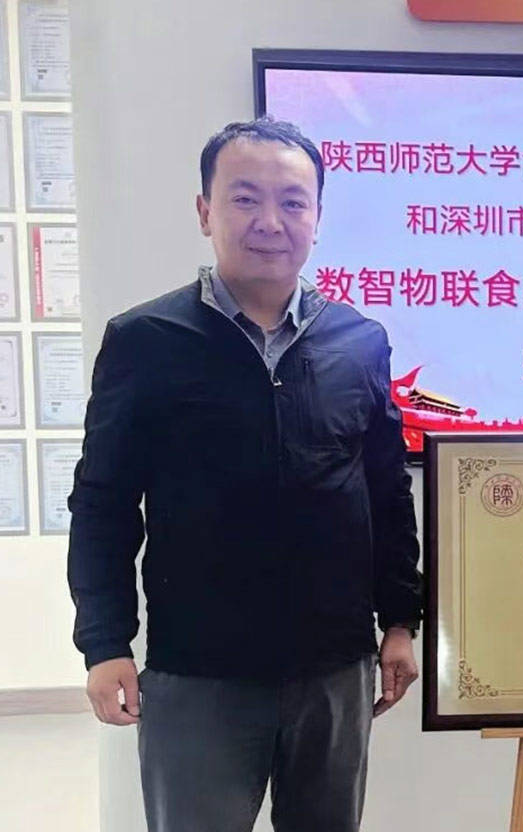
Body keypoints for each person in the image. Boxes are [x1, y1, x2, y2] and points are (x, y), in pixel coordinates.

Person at [67, 116, 422, 832]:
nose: (270, 221)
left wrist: (401, 620)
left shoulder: (359, 342)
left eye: (292, 201)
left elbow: (386, 493)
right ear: (205, 211)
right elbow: (103, 502)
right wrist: (104, 643)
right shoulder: (145, 341)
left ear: (317, 217)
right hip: (198, 672)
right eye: (244, 198)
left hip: (333, 668)